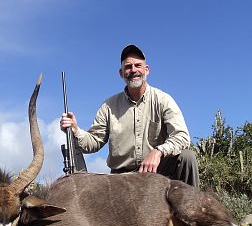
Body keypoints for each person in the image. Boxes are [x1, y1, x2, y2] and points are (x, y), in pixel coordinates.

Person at [60, 44, 199, 188]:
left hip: (156, 169)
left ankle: (194, 209)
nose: (133, 70)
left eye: (138, 65)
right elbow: (93, 142)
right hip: (122, 176)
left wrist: (158, 152)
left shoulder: (163, 99)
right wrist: (75, 129)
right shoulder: (108, 106)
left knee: (186, 158)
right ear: (121, 73)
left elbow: (182, 136)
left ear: (147, 70)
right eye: (128, 67)